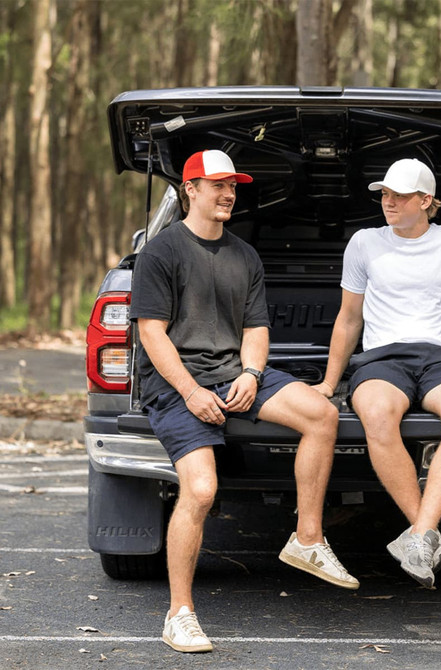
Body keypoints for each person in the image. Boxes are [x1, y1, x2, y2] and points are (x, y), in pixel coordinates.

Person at [130, 149, 358, 654]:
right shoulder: (161, 252)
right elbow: (152, 333)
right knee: (203, 490)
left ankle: (307, 538)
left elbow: (256, 328)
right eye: (218, 184)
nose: (229, 193)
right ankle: (180, 614)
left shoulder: (244, 254)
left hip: (234, 374)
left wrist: (253, 374)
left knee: (322, 414)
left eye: (233, 185)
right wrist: (190, 391)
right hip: (177, 385)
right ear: (191, 189)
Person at [313, 158, 441, 589]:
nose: (387, 202)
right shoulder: (364, 243)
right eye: (384, 194)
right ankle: (424, 532)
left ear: (426, 201)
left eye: (398, 195)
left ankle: (417, 534)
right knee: (375, 413)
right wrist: (330, 383)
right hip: (382, 359)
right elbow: (349, 319)